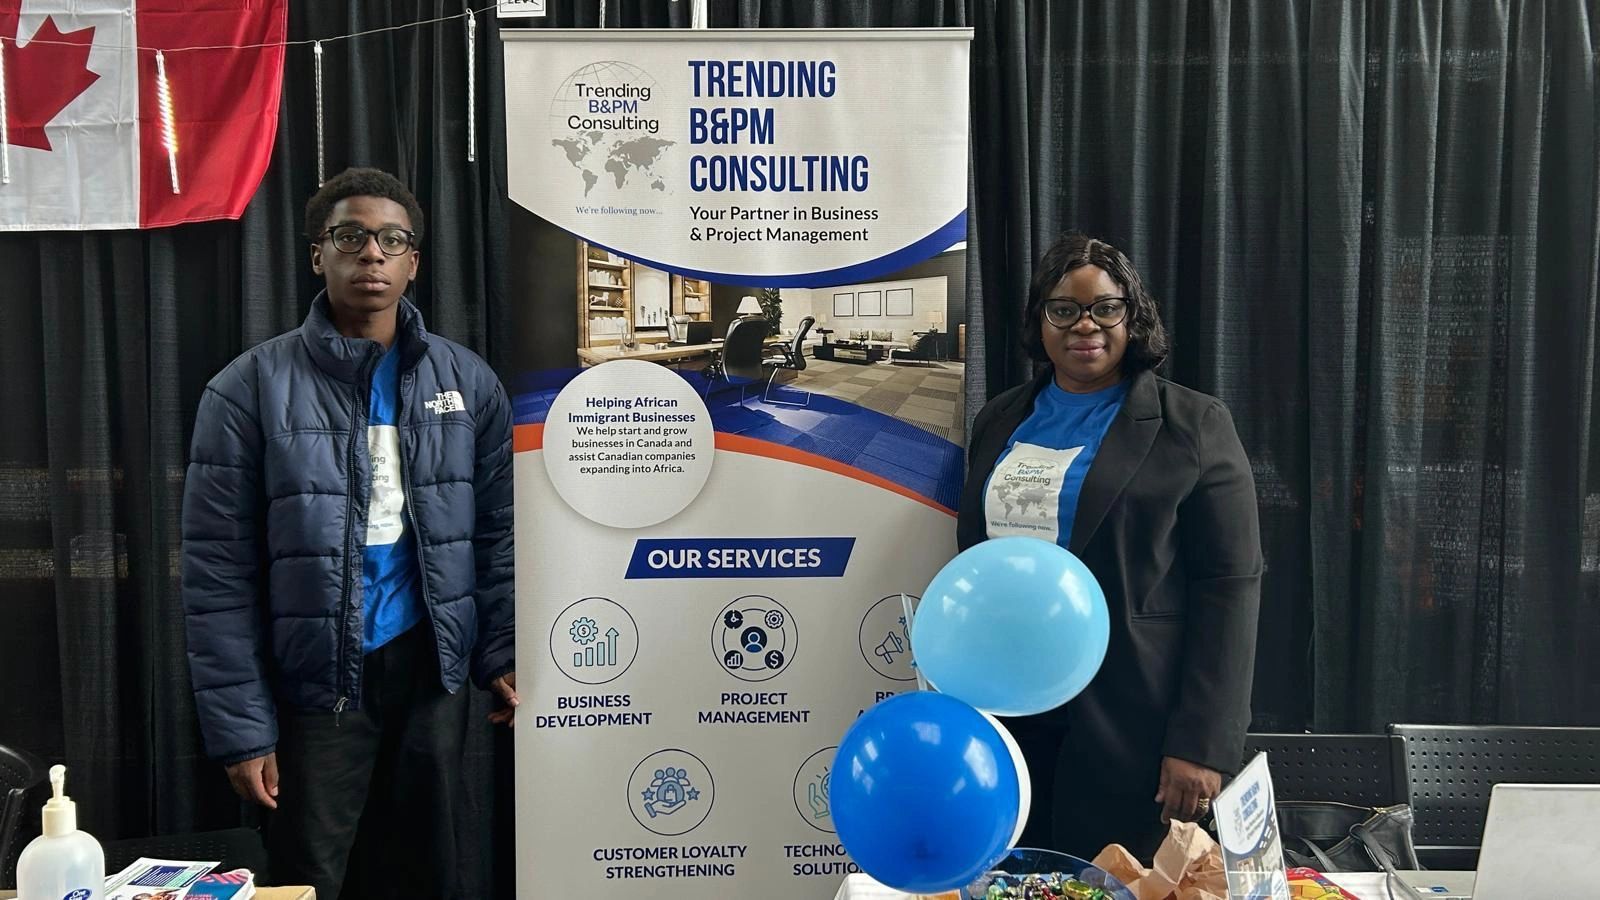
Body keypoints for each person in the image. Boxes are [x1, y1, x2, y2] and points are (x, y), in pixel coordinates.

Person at [181, 168, 518, 899]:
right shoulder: (247, 389)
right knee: (310, 879)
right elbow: (216, 574)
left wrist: (500, 649)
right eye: (351, 236)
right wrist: (243, 729)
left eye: (392, 239)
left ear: (413, 262)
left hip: (433, 675)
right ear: (318, 254)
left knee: (429, 872)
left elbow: (495, 535)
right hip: (317, 685)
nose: (372, 254)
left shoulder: (469, 383)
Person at [958, 233, 1262, 861]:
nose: (1085, 325)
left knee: (1116, 881)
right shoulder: (999, 419)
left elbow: (1229, 586)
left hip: (1133, 723)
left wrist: (1203, 742)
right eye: (1063, 308)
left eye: (1105, 307)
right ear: (1040, 321)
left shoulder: (1193, 425)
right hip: (1008, 717)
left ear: (1133, 314)